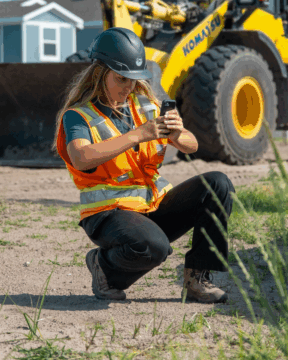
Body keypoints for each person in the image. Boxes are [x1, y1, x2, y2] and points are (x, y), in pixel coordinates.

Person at [54, 27, 235, 303]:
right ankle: (104, 267)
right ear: (100, 73)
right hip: (108, 214)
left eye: (133, 79)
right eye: (121, 78)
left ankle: (198, 280)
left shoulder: (147, 105)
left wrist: (177, 134)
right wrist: (139, 134)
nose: (128, 86)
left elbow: (192, 145)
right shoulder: (78, 116)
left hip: (151, 205)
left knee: (218, 184)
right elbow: (81, 157)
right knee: (154, 247)